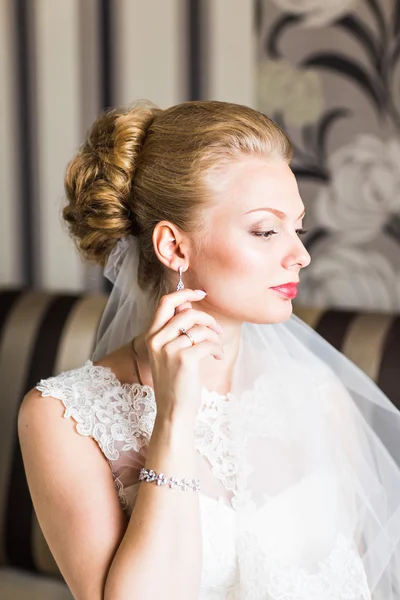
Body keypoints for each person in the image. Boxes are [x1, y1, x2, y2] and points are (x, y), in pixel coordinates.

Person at [18, 100, 400, 600]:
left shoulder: (318, 394)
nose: (300, 255)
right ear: (174, 248)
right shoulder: (63, 418)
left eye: (297, 228)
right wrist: (174, 419)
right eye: (266, 231)